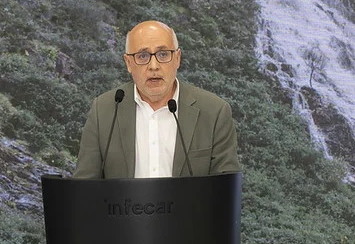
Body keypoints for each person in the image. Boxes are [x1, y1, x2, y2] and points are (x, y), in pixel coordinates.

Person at [73, 20, 240, 178]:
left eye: (163, 54)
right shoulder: (103, 110)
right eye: (143, 56)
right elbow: (84, 187)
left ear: (177, 58)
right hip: (123, 209)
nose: (154, 66)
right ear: (129, 63)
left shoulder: (214, 112)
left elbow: (225, 191)